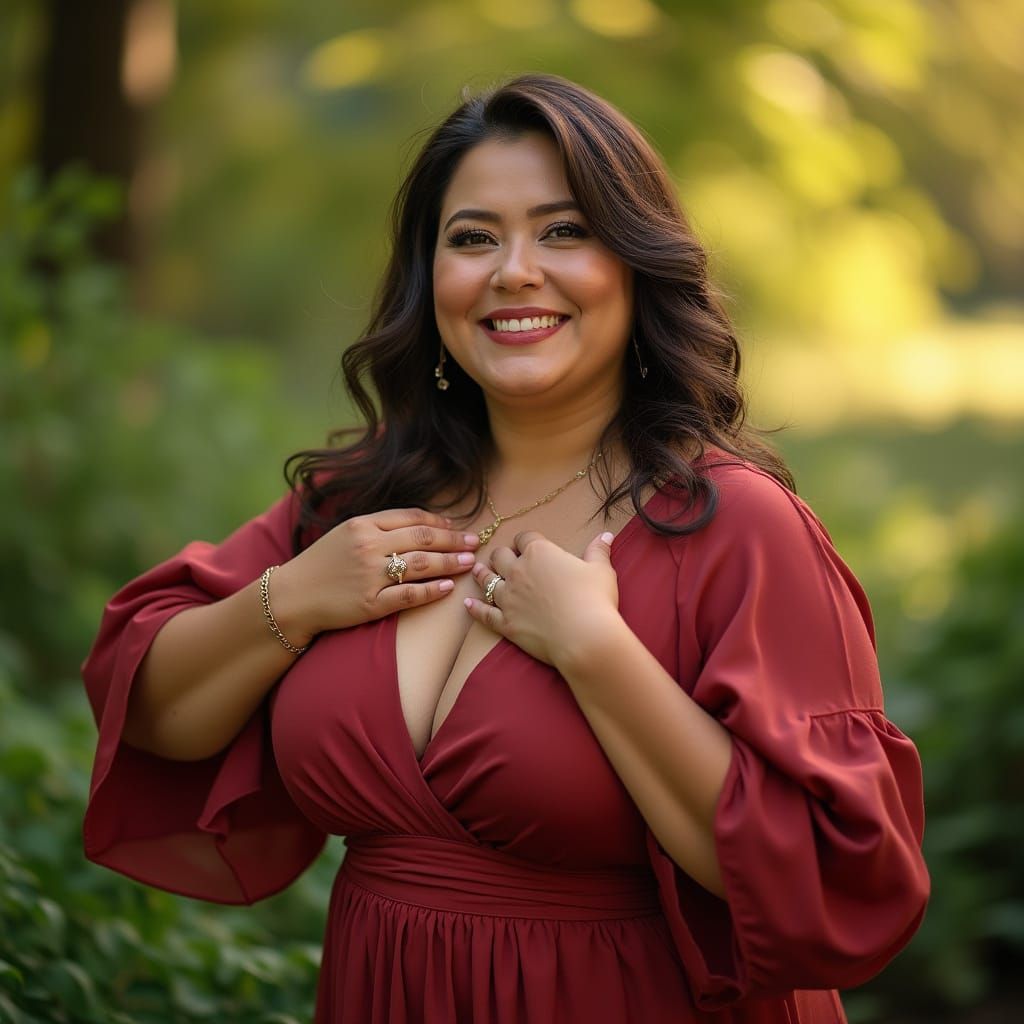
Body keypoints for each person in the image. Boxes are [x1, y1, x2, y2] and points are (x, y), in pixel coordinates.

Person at [82, 73, 929, 1023]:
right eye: (472, 237)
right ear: (428, 279)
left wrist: (597, 654)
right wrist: (291, 598)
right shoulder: (356, 507)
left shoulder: (736, 527)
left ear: (635, 267)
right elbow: (152, 708)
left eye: (564, 231)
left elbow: (822, 875)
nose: (513, 271)